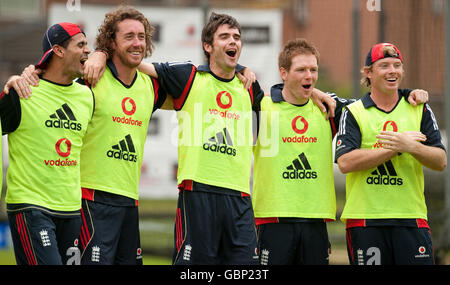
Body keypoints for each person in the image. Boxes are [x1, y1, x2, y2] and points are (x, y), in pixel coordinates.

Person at [251, 38, 429, 265]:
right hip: (272, 219)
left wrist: (408, 94)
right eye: (301, 70)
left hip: (316, 220)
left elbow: (376, 102)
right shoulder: (262, 107)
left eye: (313, 70)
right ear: (283, 73)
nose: (309, 76)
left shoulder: (331, 108)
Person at [13, 6, 168, 265]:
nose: (137, 42)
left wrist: (241, 71)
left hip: (130, 202)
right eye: (129, 36)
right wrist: (29, 74)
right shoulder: (89, 79)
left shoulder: (150, 86)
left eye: (142, 36)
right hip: (89, 199)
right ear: (111, 42)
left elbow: (195, 86)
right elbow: (56, 84)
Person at [335, 42, 446, 265]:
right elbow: (345, 162)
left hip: (411, 218)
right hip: (366, 221)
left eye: (397, 65)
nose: (392, 70)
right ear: (368, 73)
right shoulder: (354, 112)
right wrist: (395, 147)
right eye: (384, 65)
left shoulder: (419, 107)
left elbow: (440, 161)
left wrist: (413, 148)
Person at [0, 22, 93, 265]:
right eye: (80, 44)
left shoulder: (87, 95)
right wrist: (10, 82)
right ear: (59, 50)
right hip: (30, 206)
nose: (88, 50)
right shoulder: (22, 91)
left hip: (72, 209)